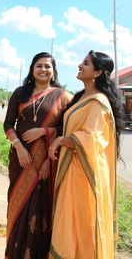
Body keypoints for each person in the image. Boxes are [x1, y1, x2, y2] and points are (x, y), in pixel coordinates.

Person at [48, 51, 123, 259]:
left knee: (82, 224)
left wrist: (61, 140)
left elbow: (93, 139)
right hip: (72, 171)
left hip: (85, 175)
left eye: (86, 63)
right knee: (70, 224)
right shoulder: (82, 98)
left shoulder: (99, 102)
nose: (80, 65)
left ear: (98, 72)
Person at [3, 52, 72, 259]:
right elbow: (8, 124)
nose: (43, 69)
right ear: (32, 69)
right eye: (39, 66)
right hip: (21, 160)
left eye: (47, 66)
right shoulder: (20, 93)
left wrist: (44, 132)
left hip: (48, 163)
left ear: (53, 71)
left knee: (42, 209)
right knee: (17, 207)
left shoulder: (64, 97)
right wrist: (19, 147)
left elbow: (65, 129)